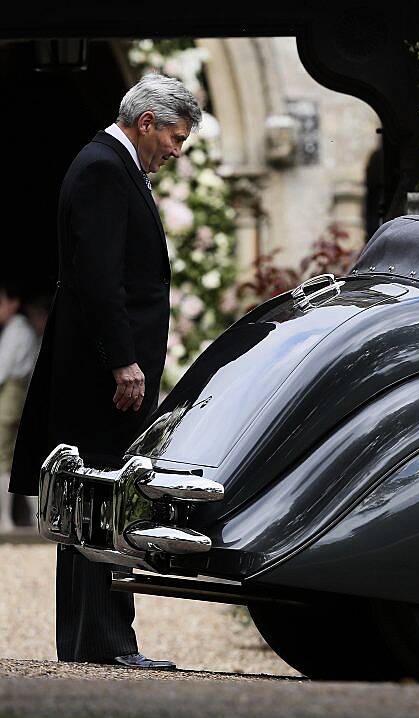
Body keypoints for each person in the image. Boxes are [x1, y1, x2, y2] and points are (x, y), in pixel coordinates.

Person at [9, 74, 201, 670]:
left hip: (101, 371)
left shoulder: (111, 165)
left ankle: (94, 641)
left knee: (95, 503)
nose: (177, 149)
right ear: (146, 122)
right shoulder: (102, 168)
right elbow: (98, 277)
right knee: (103, 502)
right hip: (101, 377)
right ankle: (105, 643)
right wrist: (123, 361)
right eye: (174, 136)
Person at [0, 283, 40, 532]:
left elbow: (2, 368)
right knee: (12, 458)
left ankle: (5, 520)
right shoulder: (20, 329)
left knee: (4, 458)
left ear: (13, 303)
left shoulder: (17, 329)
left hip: (11, 394)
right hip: (16, 394)